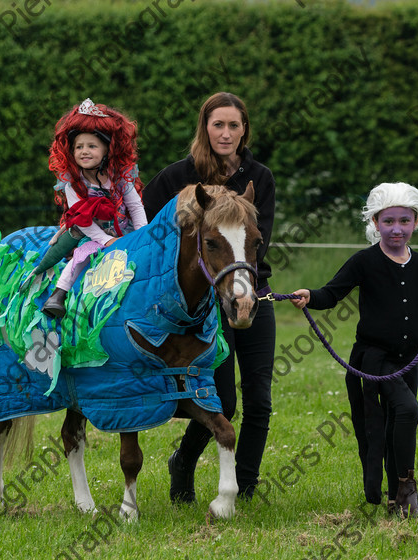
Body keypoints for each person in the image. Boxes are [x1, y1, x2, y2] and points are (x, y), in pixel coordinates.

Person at [289, 182, 418, 519]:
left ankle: (398, 497)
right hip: (376, 359)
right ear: (375, 223)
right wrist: (309, 295)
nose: (397, 229)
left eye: (404, 221)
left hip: (411, 358)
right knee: (408, 410)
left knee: (403, 418)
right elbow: (331, 293)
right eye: (388, 221)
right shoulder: (363, 262)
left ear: (416, 221)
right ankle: (407, 486)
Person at [143, 92, 276, 502]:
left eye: (234, 125)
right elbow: (147, 232)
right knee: (224, 400)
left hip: (253, 293)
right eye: (218, 124)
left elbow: (258, 242)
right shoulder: (175, 177)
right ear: (205, 128)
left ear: (244, 130)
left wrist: (243, 289)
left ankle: (246, 484)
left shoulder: (260, 177)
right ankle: (182, 463)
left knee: (260, 400)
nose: (226, 133)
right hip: (202, 305)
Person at [29, 98, 147, 318]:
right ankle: (59, 295)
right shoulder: (74, 185)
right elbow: (83, 221)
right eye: (79, 147)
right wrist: (105, 241)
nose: (84, 151)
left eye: (92, 146)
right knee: (81, 257)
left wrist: (142, 234)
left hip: (124, 232)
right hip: (91, 234)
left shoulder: (120, 179)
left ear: (107, 151)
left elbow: (136, 206)